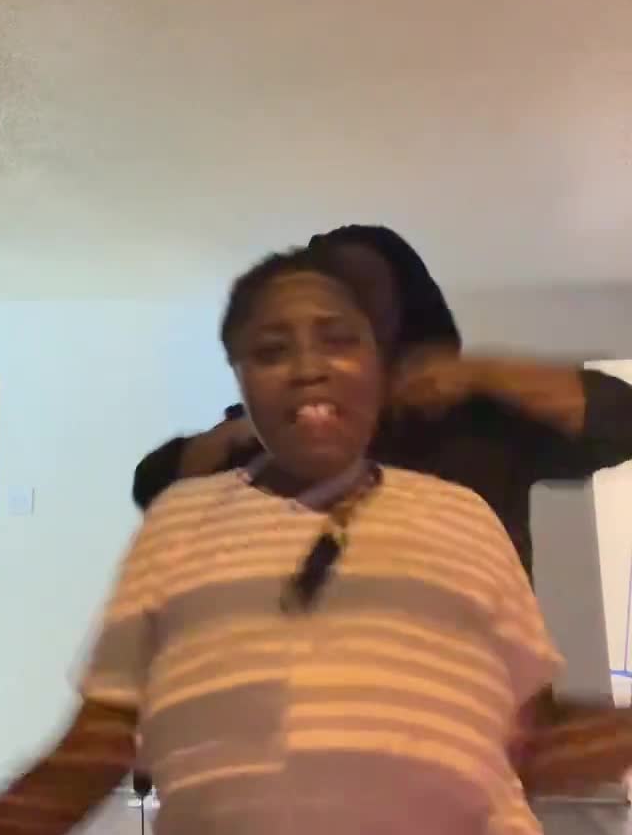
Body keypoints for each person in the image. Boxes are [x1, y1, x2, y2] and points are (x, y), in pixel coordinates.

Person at [0, 245, 620, 835]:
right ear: (241, 379)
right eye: (272, 349)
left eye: (340, 339)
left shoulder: (463, 515)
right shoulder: (183, 522)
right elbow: (91, 752)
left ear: (383, 367)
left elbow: (524, 745)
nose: (309, 367)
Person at [133, 224, 632, 581]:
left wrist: (482, 373)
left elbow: (621, 421)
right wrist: (254, 428)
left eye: (364, 288)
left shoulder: (475, 417)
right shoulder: (271, 427)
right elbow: (156, 487)